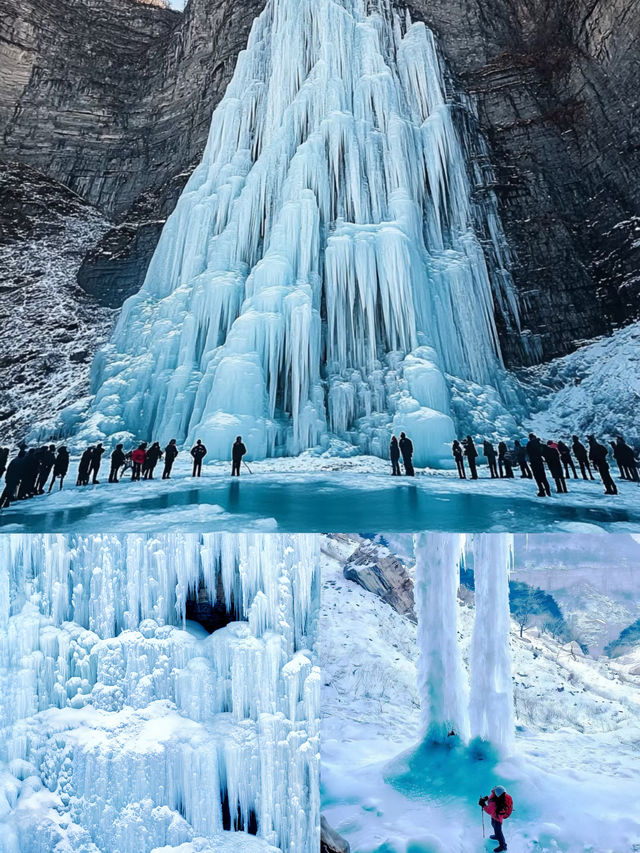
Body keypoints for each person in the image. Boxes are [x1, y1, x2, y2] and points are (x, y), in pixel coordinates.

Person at [479, 786, 513, 853]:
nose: (493, 789)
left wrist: (483, 805)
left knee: (498, 830)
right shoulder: (500, 796)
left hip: (497, 817)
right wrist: (486, 799)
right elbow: (491, 800)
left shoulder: (495, 802)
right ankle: (497, 836)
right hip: (496, 815)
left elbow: (489, 811)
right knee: (493, 825)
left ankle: (503, 845)